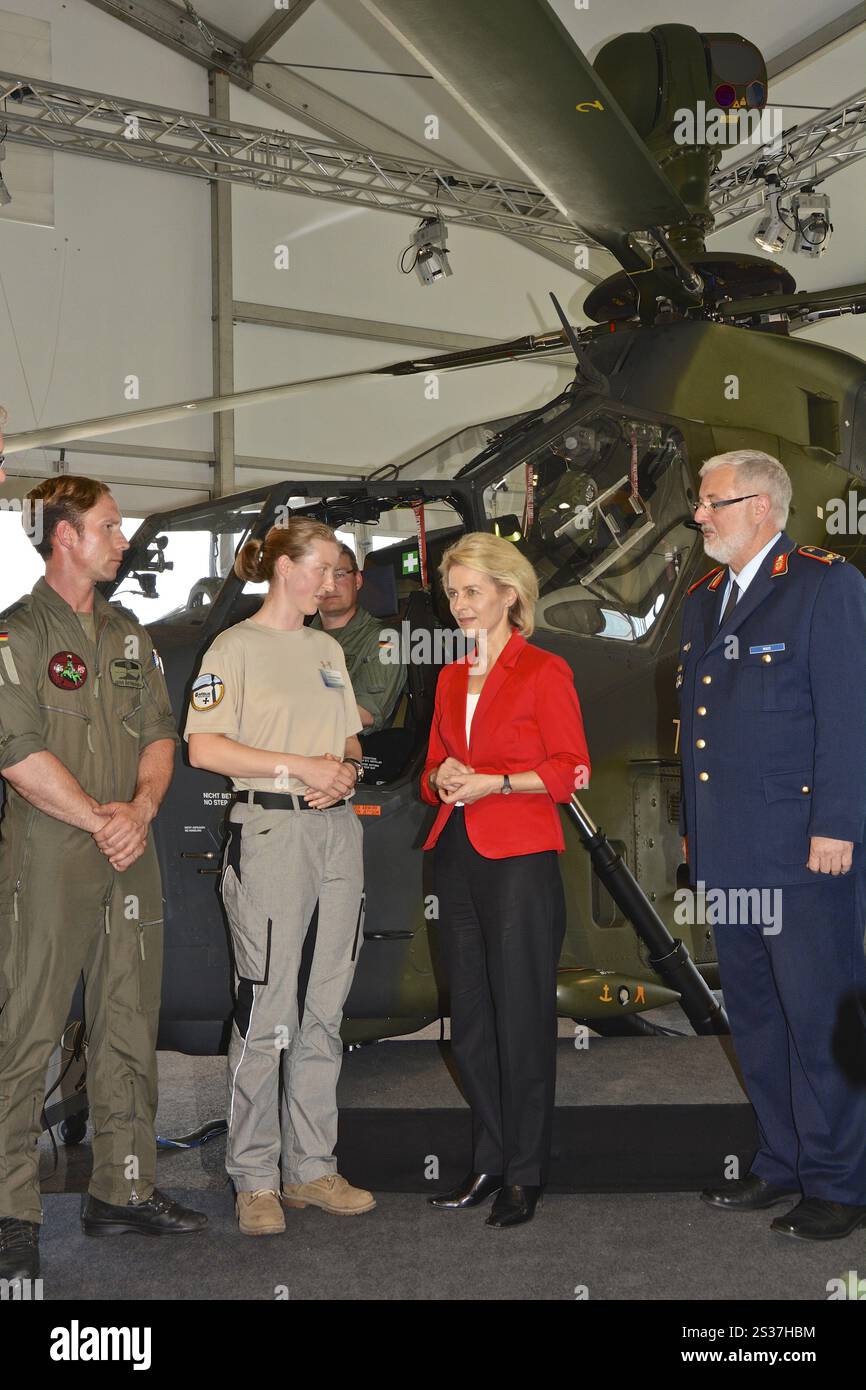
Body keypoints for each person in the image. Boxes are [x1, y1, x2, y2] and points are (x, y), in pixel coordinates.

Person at [0, 477, 206, 1285]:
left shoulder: (129, 635)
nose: (124, 541)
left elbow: (161, 732)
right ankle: (10, 1210)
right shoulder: (15, 637)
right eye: (110, 527)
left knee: (129, 1017)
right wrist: (100, 818)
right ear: (64, 537)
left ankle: (122, 1189)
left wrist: (142, 809)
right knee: (28, 1030)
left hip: (128, 847)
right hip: (51, 853)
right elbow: (15, 753)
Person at [679, 449, 866, 1240]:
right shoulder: (704, 599)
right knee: (754, 1018)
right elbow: (698, 731)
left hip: (801, 850)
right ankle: (782, 1162)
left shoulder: (825, 584)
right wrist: (695, 833)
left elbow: (850, 715)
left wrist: (838, 824)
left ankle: (840, 1183)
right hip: (730, 849)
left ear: (762, 505)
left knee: (819, 1020)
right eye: (701, 503)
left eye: (712, 501)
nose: (700, 514)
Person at [185, 518, 374, 1235]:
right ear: (285, 568)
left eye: (335, 572)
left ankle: (311, 1169)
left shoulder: (327, 648)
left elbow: (349, 736)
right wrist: (300, 769)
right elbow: (204, 748)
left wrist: (346, 770)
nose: (333, 583)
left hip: (337, 832)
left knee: (326, 1008)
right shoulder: (234, 646)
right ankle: (255, 1176)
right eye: (323, 569)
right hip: (269, 832)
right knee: (269, 1011)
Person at [420, 532, 590, 1228]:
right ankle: (490, 1159)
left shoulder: (545, 670)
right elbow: (431, 773)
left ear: (509, 594)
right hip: (455, 852)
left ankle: (526, 1170)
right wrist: (444, 777)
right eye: (452, 593)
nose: (458, 604)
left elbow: (570, 770)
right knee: (471, 1023)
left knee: (521, 1019)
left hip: (520, 858)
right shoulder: (449, 676)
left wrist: (495, 780)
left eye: (471, 592)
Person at [312, 543, 406, 735]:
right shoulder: (295, 639)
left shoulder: (385, 641)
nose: (329, 585)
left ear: (357, 580)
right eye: (320, 575)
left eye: (339, 574)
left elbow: (365, 714)